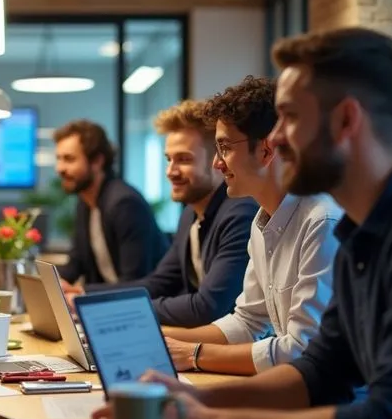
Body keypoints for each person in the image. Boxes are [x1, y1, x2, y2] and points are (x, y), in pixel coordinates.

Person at [92, 27, 392, 419]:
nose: (277, 139)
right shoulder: (363, 228)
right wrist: (197, 398)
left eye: (289, 117)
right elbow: (319, 372)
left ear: (346, 120)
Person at [163, 75, 342, 376]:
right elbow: (247, 322)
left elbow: (302, 349)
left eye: (225, 148)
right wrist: (159, 340)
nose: (216, 163)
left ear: (266, 151)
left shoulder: (322, 223)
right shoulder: (262, 222)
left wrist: (193, 354)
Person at [68, 101, 258, 327]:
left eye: (184, 159)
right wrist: (84, 296)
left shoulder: (239, 214)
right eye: (169, 159)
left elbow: (207, 307)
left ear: (218, 161)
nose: (170, 172)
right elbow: (158, 283)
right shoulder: (190, 214)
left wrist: (117, 310)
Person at [53, 119, 167, 285]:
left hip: (143, 305)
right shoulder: (85, 202)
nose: (60, 168)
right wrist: (51, 283)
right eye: (59, 159)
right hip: (109, 301)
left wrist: (82, 293)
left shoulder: (125, 204)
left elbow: (133, 280)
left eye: (69, 159)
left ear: (97, 161)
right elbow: (75, 263)